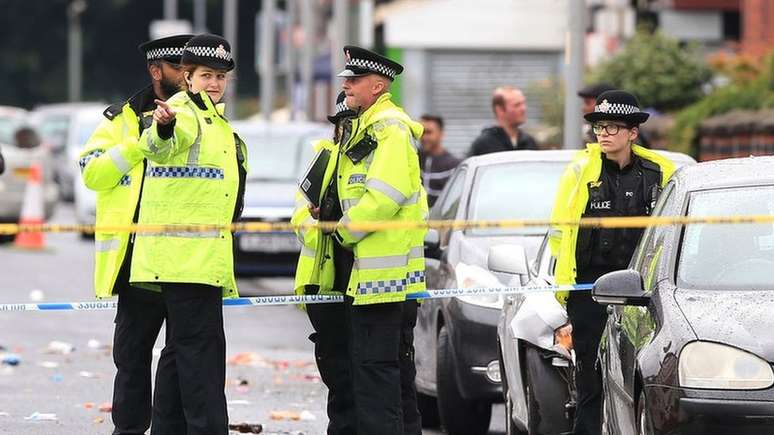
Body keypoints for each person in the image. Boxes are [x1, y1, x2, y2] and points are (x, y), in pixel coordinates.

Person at [295, 45, 427, 435]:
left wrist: (342, 230)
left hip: (379, 282)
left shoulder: (390, 130)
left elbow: (386, 196)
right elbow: (304, 207)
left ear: (379, 85)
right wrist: (321, 224)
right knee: (349, 378)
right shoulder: (344, 143)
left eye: (354, 81)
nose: (347, 86)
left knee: (378, 380)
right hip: (342, 280)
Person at [78, 34, 192, 435]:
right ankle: (127, 430)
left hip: (182, 259)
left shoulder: (203, 118)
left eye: (190, 68)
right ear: (156, 71)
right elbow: (92, 172)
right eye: (178, 68)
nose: (186, 75)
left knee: (180, 358)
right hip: (135, 260)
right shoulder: (120, 119)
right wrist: (138, 145)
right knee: (131, 356)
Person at [133, 33, 248, 435]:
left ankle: (168, 429)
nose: (214, 83)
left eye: (220, 76)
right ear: (186, 77)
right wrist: (163, 127)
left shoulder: (217, 121)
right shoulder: (181, 111)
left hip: (194, 259)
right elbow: (159, 144)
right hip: (187, 260)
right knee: (202, 359)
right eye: (205, 75)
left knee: (179, 355)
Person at [548, 90, 675, 435]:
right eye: (599, 127)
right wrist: (565, 289)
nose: (603, 134)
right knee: (590, 377)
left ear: (633, 132)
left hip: (643, 294)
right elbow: (561, 233)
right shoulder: (579, 173)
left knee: (638, 376)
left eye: (613, 127)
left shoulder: (661, 173)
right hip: (589, 289)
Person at [292, 91, 357, 434]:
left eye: (351, 124)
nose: (344, 131)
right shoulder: (324, 158)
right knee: (336, 369)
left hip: (363, 279)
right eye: (341, 125)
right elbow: (298, 218)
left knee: (362, 370)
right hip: (324, 281)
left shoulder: (375, 160)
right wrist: (319, 224)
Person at [468, 86, 538, 156]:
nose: (523, 109)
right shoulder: (483, 145)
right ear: (500, 110)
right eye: (517, 105)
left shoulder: (529, 142)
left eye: (523, 103)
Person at [419, 114, 460, 208]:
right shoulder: (413, 159)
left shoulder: (453, 166)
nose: (424, 137)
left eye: (429, 132)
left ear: (441, 134)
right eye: (422, 132)